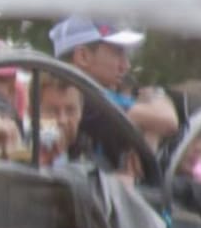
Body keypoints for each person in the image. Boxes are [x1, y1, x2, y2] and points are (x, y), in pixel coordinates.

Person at [49, 16, 178, 172]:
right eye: (118, 52)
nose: (126, 65)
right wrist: (157, 95)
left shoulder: (83, 96)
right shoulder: (91, 99)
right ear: (83, 56)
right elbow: (168, 121)